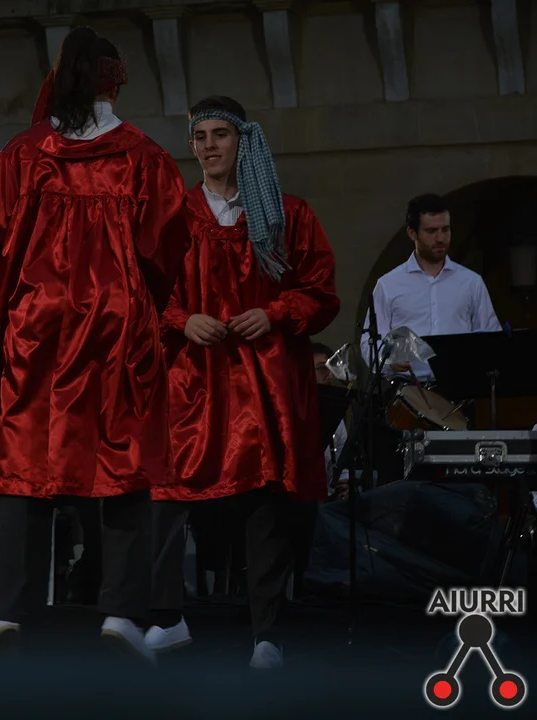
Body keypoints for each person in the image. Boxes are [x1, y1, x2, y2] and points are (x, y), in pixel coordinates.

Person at [0, 26, 188, 664]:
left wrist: (32, 291)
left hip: (37, 319)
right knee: (123, 454)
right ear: (114, 83)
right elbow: (164, 248)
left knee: (25, 459)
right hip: (115, 318)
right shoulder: (144, 157)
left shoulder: (21, 154)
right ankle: (120, 611)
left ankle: (7, 612)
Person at [149, 95, 340, 669]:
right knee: (166, 494)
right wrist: (183, 319)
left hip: (264, 380)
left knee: (265, 502)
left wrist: (274, 312)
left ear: (243, 139)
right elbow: (144, 293)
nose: (208, 146)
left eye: (220, 134)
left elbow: (319, 291)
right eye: (199, 136)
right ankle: (167, 618)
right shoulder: (174, 219)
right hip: (195, 377)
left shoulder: (283, 215)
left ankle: (266, 635)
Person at [361, 193, 500, 381]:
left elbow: (492, 337)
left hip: (461, 386)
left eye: (445, 229)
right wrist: (388, 361)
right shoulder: (388, 285)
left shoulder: (471, 282)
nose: (440, 238)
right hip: (408, 387)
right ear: (412, 233)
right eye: (431, 231)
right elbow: (370, 343)